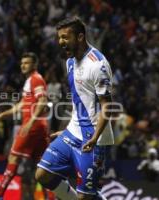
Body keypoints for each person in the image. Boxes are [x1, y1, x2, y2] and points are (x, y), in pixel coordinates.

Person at [35, 17, 114, 200]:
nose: (61, 42)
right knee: (42, 175)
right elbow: (80, 102)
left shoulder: (98, 65)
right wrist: (67, 130)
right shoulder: (69, 62)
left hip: (95, 138)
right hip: (73, 132)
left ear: (80, 37)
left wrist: (94, 138)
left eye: (65, 37)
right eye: (59, 38)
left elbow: (107, 106)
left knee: (85, 197)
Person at [0, 52, 49, 200]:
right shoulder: (29, 81)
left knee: (13, 158)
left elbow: (43, 101)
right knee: (42, 167)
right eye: (22, 63)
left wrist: (30, 122)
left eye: (27, 63)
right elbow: (21, 105)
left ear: (34, 65)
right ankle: (52, 197)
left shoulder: (36, 79)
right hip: (40, 127)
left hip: (33, 126)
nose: (23, 65)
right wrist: (2, 115)